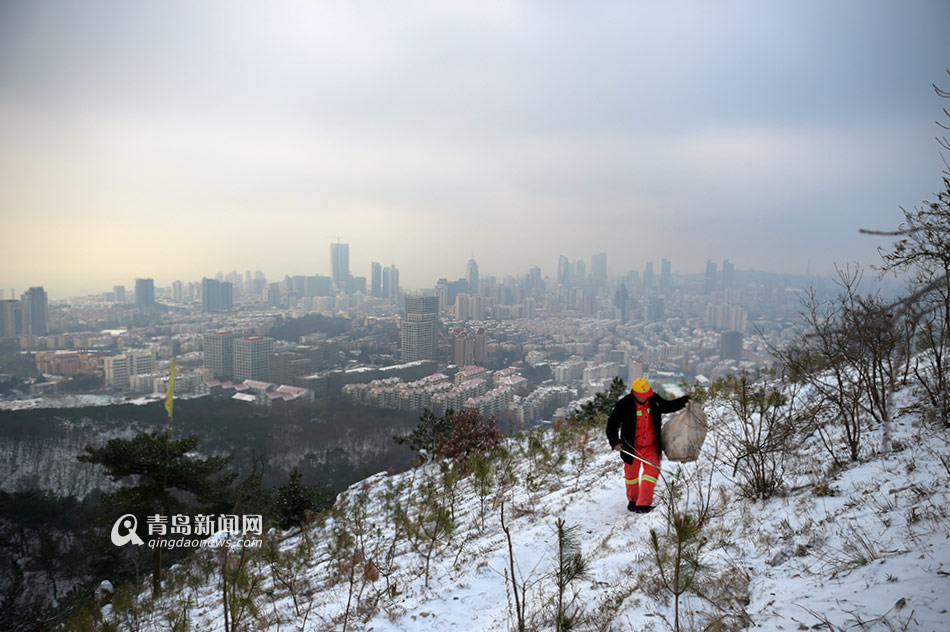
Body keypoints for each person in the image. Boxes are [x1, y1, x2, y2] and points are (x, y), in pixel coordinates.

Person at [606, 378, 689, 513]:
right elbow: (612, 424)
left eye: (647, 395)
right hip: (631, 447)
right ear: (635, 393)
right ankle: (633, 501)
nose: (645, 398)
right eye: (642, 395)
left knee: (651, 473)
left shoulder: (653, 399)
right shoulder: (623, 405)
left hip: (651, 445)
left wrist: (684, 401)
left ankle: (643, 504)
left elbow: (667, 406)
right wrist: (615, 442)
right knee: (631, 477)